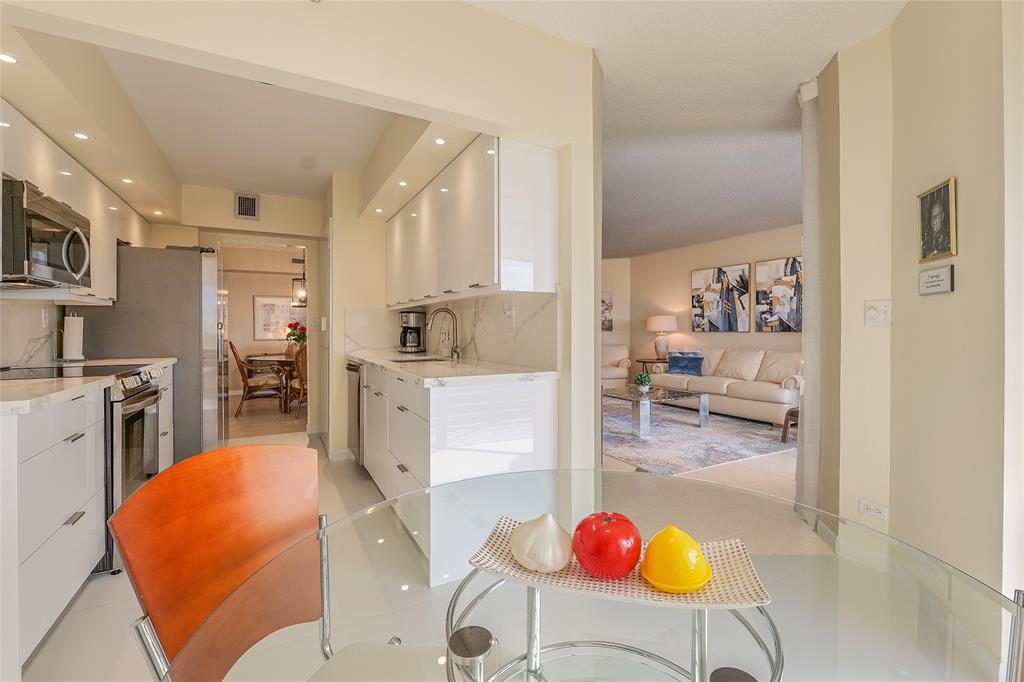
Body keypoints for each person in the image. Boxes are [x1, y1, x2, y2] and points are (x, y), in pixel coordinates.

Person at [922, 193, 951, 259]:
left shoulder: (948, 235)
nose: (934, 219)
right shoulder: (927, 236)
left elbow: (949, 252)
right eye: (932, 216)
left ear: (942, 216)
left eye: (937, 215)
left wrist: (935, 252)